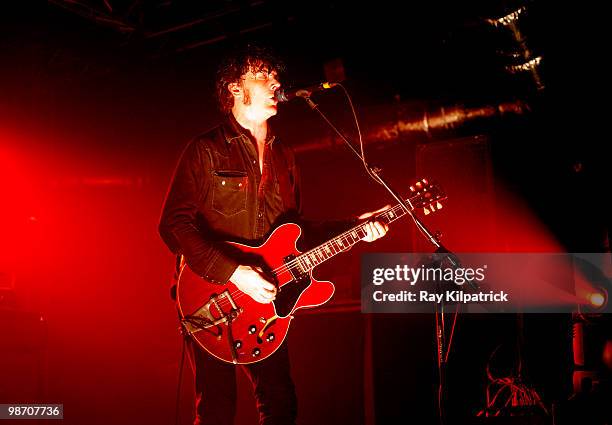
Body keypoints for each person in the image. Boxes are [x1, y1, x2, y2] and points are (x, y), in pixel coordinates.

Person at [158, 44, 388, 425]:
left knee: (280, 405)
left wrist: (359, 226)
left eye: (275, 75)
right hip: (209, 296)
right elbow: (173, 225)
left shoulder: (285, 156)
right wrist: (235, 273)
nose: (276, 82)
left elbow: (298, 230)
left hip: (268, 302)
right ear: (235, 88)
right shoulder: (205, 150)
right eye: (263, 75)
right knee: (216, 409)